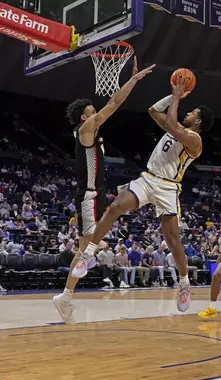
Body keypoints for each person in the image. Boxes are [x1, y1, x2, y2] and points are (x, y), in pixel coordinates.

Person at [69, 75, 214, 312]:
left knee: (173, 240)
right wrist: (172, 96)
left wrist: (177, 99)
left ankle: (185, 284)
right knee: (115, 207)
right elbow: (153, 111)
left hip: (168, 187)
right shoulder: (176, 128)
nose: (189, 113)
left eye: (193, 112)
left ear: (199, 121)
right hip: (148, 179)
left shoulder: (194, 140)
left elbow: (170, 123)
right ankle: (88, 255)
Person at [52, 58, 155, 324]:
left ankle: (68, 293)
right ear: (85, 117)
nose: (97, 111)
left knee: (98, 241)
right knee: (85, 250)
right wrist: (132, 80)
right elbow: (113, 104)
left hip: (100, 194)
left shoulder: (93, 132)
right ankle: (65, 297)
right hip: (88, 196)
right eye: (92, 109)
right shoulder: (85, 129)